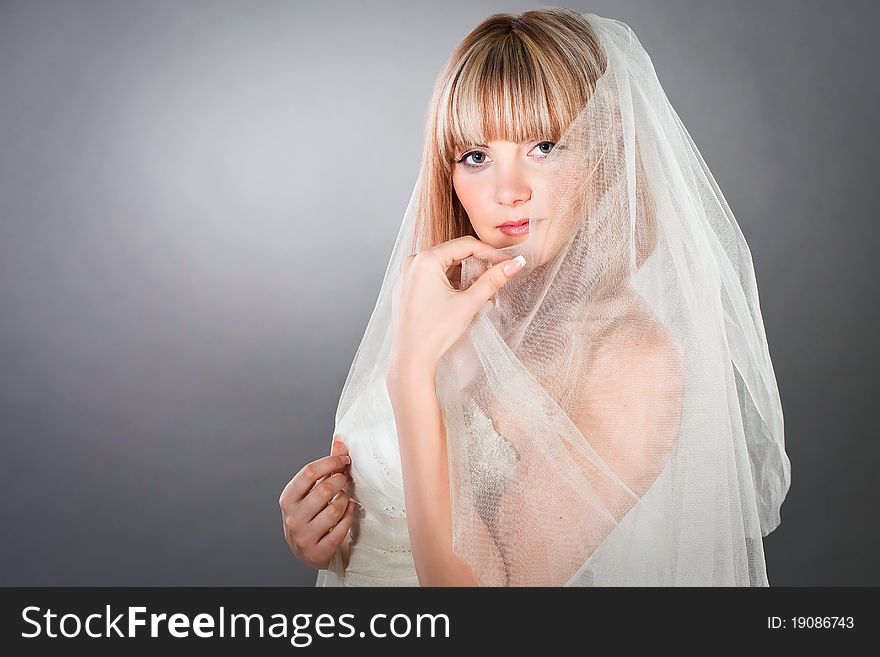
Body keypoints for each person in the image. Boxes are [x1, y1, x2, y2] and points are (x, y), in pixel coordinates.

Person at [279, 8, 790, 586]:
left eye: (544, 146)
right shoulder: (446, 296)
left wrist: (411, 375)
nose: (507, 190)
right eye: (476, 156)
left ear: (604, 154)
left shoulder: (631, 362)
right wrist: (333, 532)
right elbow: (389, 507)